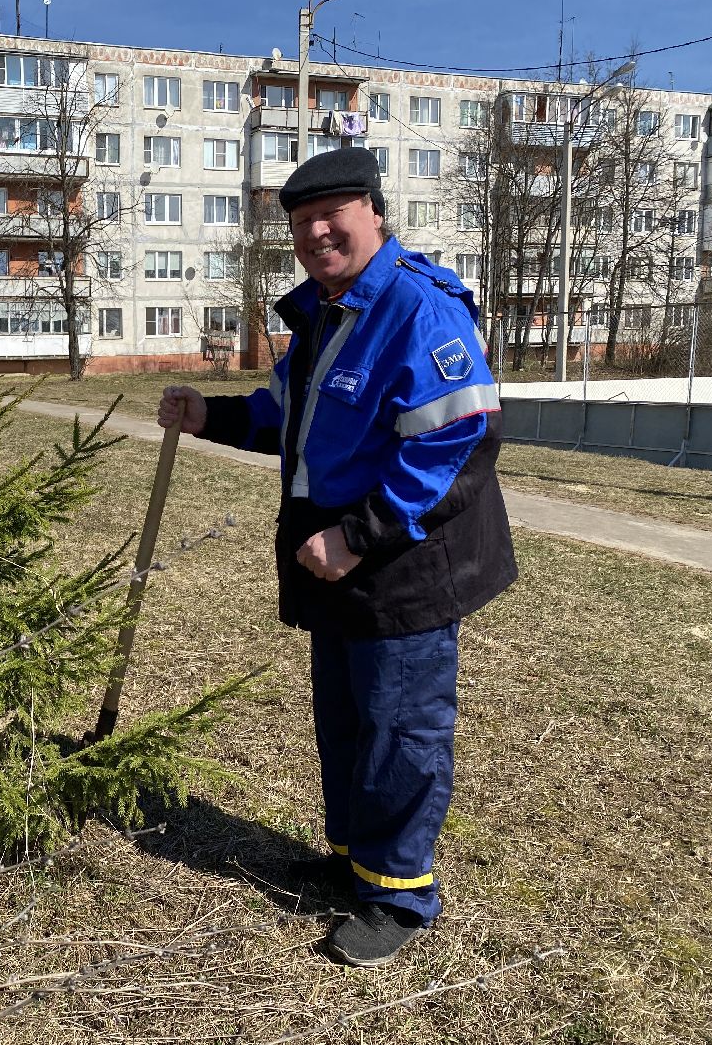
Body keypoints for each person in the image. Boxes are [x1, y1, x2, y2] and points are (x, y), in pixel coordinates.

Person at [158, 147, 516, 968]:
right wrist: (206, 415)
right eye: (300, 222)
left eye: (334, 214)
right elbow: (284, 416)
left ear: (374, 214)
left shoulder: (419, 310)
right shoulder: (324, 314)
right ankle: (354, 858)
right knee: (347, 720)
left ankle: (398, 893)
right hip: (334, 566)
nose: (317, 232)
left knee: (401, 727)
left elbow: (459, 442)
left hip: (403, 563)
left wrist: (357, 536)